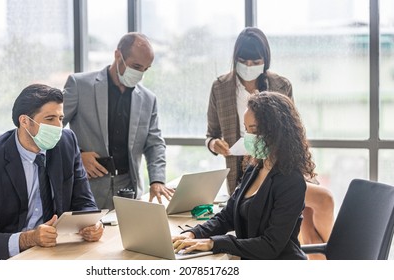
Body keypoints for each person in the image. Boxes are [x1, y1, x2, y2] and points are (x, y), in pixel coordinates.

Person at [205, 27, 334, 258]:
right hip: (248, 171)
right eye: (243, 60)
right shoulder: (221, 87)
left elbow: (290, 129)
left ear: (266, 60)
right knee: (293, 226)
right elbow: (211, 134)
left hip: (280, 168)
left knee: (317, 206)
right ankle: (324, 256)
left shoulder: (280, 85)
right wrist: (215, 144)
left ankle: (335, 255)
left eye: (256, 60)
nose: (249, 65)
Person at [0, 84, 103, 260]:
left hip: (45, 249)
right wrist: (29, 238)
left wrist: (92, 225)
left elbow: (85, 203)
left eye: (61, 118)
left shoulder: (67, 142)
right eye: (50, 119)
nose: (58, 127)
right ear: (24, 121)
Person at [173, 91, 313, 259]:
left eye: (253, 130)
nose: (248, 137)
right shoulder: (255, 168)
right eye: (246, 130)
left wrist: (214, 243)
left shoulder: (291, 182)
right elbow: (227, 216)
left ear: (277, 131)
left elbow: (270, 246)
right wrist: (194, 234)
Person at [63, 32, 173, 209]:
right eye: (136, 66)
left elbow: (155, 144)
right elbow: (53, 129)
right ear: (117, 55)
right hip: (86, 188)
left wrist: (157, 180)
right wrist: (77, 155)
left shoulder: (148, 99)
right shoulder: (79, 85)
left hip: (129, 191)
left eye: (145, 69)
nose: (140, 74)